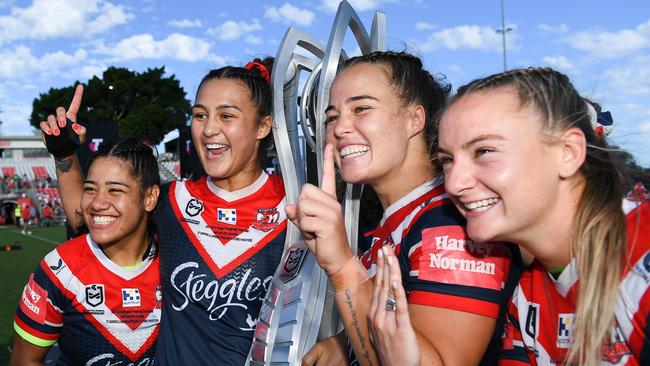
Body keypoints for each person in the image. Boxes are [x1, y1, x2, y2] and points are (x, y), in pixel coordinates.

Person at [380, 67, 649, 365]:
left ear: (568, 153)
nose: (454, 183)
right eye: (447, 160)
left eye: (483, 151)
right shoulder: (526, 297)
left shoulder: (641, 259)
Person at [41, 58, 287, 364]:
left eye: (226, 116)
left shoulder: (294, 208)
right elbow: (85, 214)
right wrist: (64, 153)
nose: (209, 128)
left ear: (263, 125)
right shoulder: (171, 201)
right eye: (200, 115)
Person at [288, 51, 521, 366]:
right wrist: (347, 344)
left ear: (415, 119)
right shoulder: (399, 220)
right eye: (332, 116)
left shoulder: (450, 220)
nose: (340, 127)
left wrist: (343, 267)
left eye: (361, 108)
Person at [11, 137, 162, 365]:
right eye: (90, 189)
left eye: (115, 190)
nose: (97, 202)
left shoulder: (178, 258)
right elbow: (25, 361)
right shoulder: (58, 270)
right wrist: (63, 151)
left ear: (150, 198)